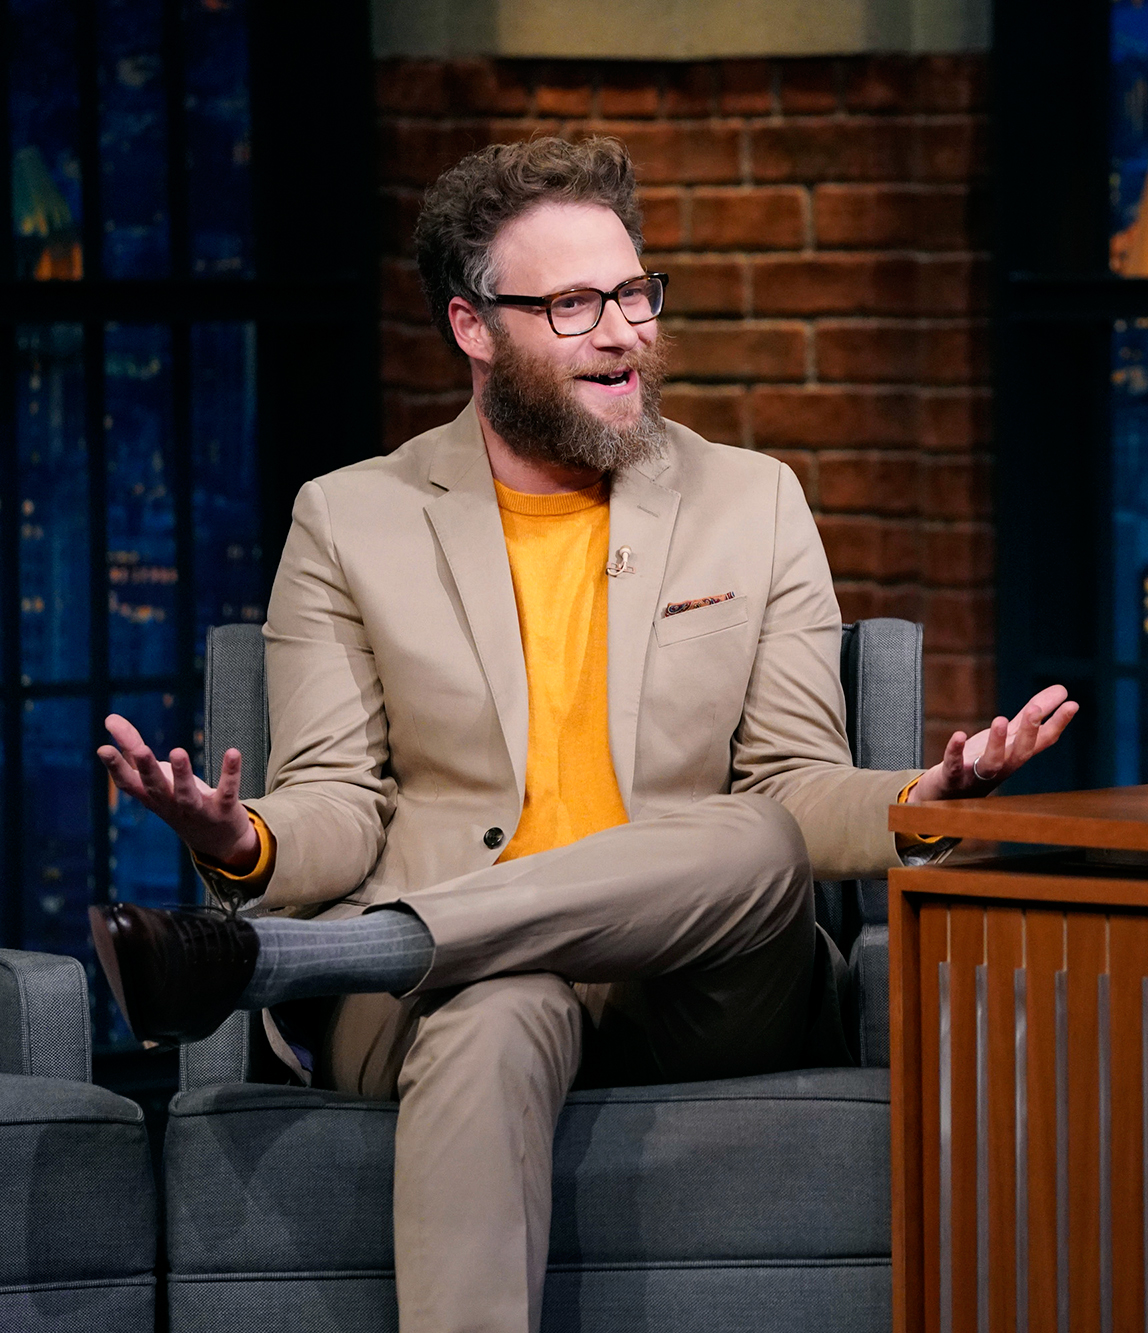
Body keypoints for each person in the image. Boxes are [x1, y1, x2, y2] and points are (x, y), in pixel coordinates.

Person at [86, 135, 1076, 1333]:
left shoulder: (750, 501)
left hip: (698, 980)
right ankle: (390, 953)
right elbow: (339, 803)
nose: (622, 330)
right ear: (471, 326)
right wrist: (241, 840)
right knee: (496, 1004)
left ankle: (306, 962)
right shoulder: (353, 518)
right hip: (451, 998)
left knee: (755, 837)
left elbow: (797, 786)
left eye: (632, 292)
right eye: (571, 303)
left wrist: (928, 795)